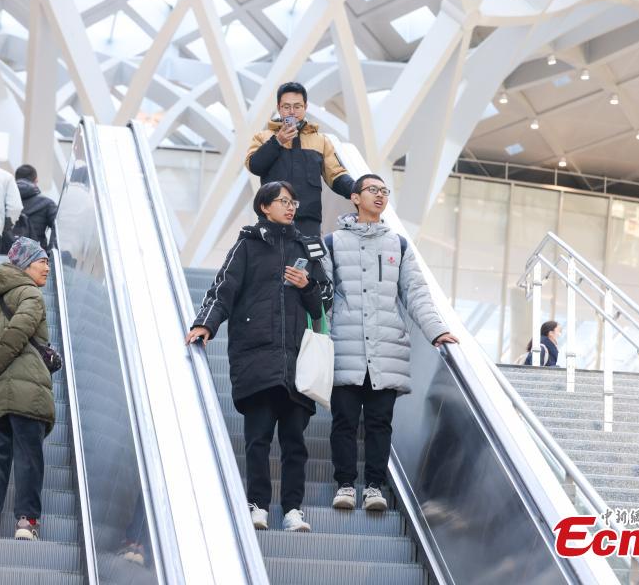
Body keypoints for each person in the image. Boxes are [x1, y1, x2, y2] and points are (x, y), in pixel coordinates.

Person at [185, 181, 332, 533]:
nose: (291, 207)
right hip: (255, 355)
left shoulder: (307, 248)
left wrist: (306, 286)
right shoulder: (248, 245)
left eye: (293, 201)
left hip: (297, 359)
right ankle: (257, 504)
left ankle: (294, 509)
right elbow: (223, 288)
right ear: (264, 206)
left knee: (295, 443)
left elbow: (324, 300)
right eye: (284, 201)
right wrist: (205, 324)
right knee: (258, 439)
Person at [324, 173, 458, 512]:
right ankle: (344, 484)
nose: (380, 196)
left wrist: (436, 331)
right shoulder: (332, 242)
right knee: (344, 420)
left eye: (385, 191)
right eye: (373, 190)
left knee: (380, 422)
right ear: (355, 198)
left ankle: (374, 486)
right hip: (345, 343)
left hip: (387, 348)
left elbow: (416, 293)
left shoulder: (398, 245)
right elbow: (321, 296)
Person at [0, 237, 54, 541]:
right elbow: (18, 333)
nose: (47, 267)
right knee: (29, 457)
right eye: (42, 261)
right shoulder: (31, 295)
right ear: (26, 264)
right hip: (27, 393)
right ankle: (27, 522)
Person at [246, 82, 355, 237]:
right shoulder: (263, 137)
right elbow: (254, 166)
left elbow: (336, 175)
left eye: (297, 106)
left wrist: (356, 189)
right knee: (273, 261)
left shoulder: (320, 140)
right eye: (286, 107)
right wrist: (277, 141)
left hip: (309, 220)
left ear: (305, 107)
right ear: (279, 108)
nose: (292, 112)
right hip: (273, 219)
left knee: (306, 260)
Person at [4, 164, 58, 252]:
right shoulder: (47, 203)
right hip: (36, 256)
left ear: (15, 180)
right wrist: (50, 252)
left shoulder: (4, 201)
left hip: (6, 255)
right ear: (36, 180)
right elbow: (59, 228)